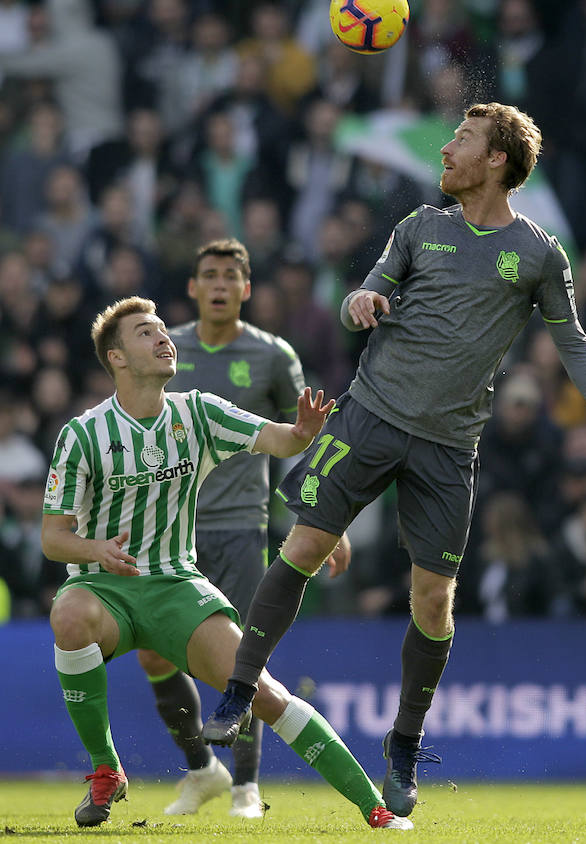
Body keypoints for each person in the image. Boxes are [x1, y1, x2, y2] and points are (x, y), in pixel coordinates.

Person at [205, 102, 586, 818]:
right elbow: (370, 287)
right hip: (372, 415)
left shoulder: (538, 253)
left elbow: (573, 340)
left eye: (462, 140)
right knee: (306, 544)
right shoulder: (419, 227)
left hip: (449, 446)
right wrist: (360, 302)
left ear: (497, 159)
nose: (446, 149)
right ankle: (237, 692)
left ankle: (404, 744)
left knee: (434, 601)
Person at [41, 295, 412, 831]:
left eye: (164, 329)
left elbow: (280, 439)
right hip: (104, 587)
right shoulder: (82, 435)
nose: (164, 338)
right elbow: (54, 539)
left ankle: (373, 808)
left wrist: (304, 433)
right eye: (146, 333)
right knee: (67, 616)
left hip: (176, 586)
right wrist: (94, 549)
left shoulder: (197, 411)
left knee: (262, 693)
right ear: (117, 357)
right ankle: (106, 768)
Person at [135, 238, 310, 818]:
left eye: (230, 276)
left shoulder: (272, 355)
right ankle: (201, 769)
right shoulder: (166, 348)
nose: (218, 285)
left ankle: (246, 787)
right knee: (154, 656)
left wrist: (321, 517)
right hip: (167, 528)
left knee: (240, 660)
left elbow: (302, 441)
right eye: (208, 274)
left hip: (238, 527)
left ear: (246, 289)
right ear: (192, 287)